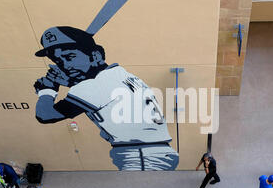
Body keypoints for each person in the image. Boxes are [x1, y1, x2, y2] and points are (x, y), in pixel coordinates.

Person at [33, 26, 178, 171]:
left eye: (70, 57)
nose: (65, 66)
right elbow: (101, 93)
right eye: (58, 61)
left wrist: (47, 89)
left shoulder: (90, 88)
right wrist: (72, 82)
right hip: (157, 152)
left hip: (141, 157)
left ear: (96, 56)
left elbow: (45, 115)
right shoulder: (120, 73)